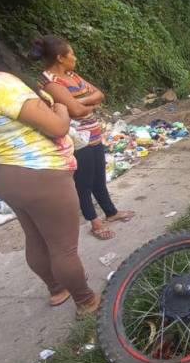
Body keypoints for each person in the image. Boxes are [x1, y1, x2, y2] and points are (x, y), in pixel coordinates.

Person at [0, 33, 99, 317]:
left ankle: (55, 289)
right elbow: (57, 126)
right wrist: (61, 107)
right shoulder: (0, 85)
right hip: (40, 173)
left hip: (1, 175)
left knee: (35, 237)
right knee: (63, 248)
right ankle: (85, 301)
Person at [33, 35, 135, 240]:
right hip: (76, 139)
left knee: (99, 177)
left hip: (94, 134)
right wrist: (83, 104)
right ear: (60, 58)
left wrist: (82, 102)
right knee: (83, 183)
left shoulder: (73, 75)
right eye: (72, 54)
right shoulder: (51, 83)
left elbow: (99, 94)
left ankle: (111, 212)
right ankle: (94, 222)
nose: (75, 57)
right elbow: (76, 111)